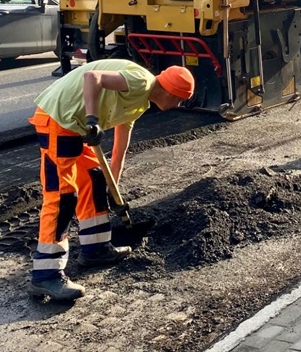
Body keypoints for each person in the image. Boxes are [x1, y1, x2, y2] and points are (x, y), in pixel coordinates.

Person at [27, 59, 195, 301]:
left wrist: (112, 187)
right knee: (63, 196)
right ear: (170, 92)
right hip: (58, 118)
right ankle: (45, 275)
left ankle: (95, 249)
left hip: (75, 125)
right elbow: (92, 77)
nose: (177, 105)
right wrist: (93, 120)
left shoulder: (139, 103)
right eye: (179, 100)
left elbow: (119, 149)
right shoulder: (141, 81)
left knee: (96, 179)